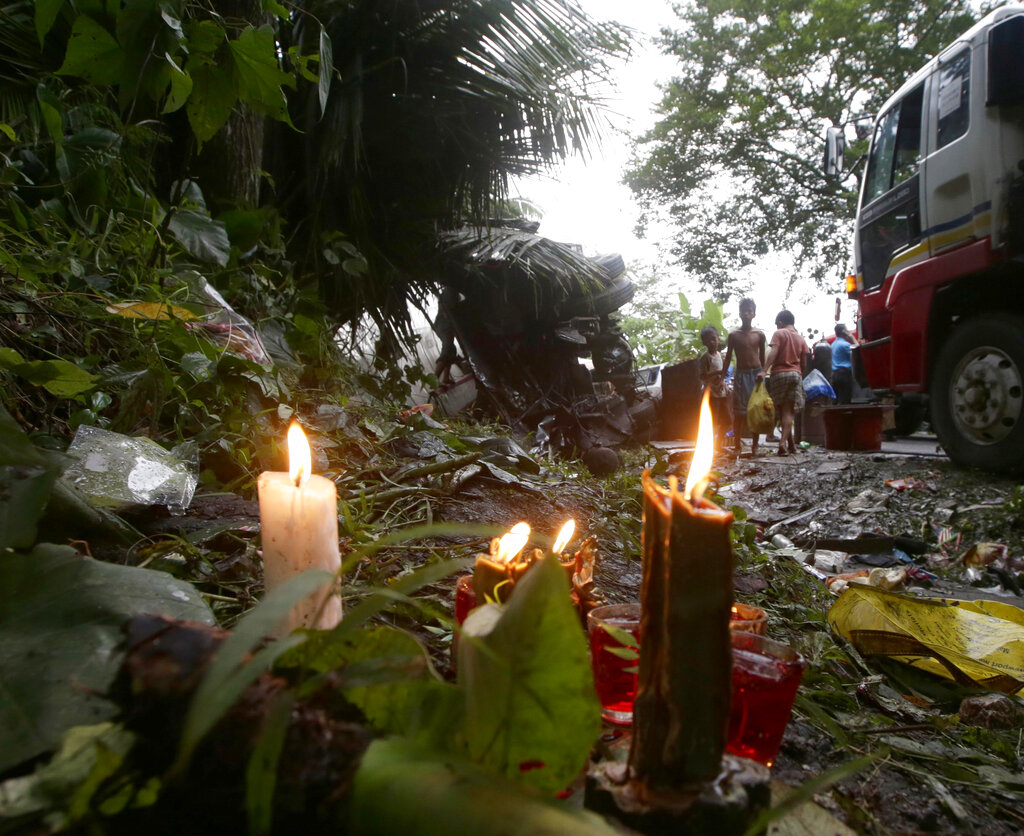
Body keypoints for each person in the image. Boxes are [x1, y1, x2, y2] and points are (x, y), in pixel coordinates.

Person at [759, 310, 811, 456]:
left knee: (782, 411)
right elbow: (805, 362)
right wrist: (800, 375)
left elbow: (774, 352)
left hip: (779, 374)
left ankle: (782, 443)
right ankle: (791, 445)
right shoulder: (801, 338)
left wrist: (764, 370)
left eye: (777, 325)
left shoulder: (779, 333)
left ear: (780, 323)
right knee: (787, 412)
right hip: (795, 374)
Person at [723, 298, 766, 457]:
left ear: (754, 313)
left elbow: (762, 357)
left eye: (750, 311)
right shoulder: (734, 335)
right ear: (739, 313)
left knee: (755, 412)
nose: (746, 314)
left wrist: (764, 373)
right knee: (739, 413)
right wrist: (722, 377)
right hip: (740, 376)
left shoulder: (759, 335)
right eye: (743, 311)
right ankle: (737, 447)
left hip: (756, 375)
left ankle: (755, 446)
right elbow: (728, 358)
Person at [698, 325, 732, 451]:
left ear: (718, 339)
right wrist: (718, 372)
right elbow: (702, 375)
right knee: (712, 421)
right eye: (709, 340)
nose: (713, 342)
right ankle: (709, 446)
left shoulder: (720, 356)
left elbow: (722, 375)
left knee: (727, 421)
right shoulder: (705, 357)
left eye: (714, 338)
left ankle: (718, 443)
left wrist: (725, 385)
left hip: (721, 392)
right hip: (711, 393)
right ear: (704, 342)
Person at [831, 323, 858, 404]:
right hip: (844, 375)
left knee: (837, 402)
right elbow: (858, 351)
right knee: (845, 402)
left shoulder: (833, 344)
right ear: (844, 331)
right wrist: (852, 338)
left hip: (835, 375)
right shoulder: (845, 345)